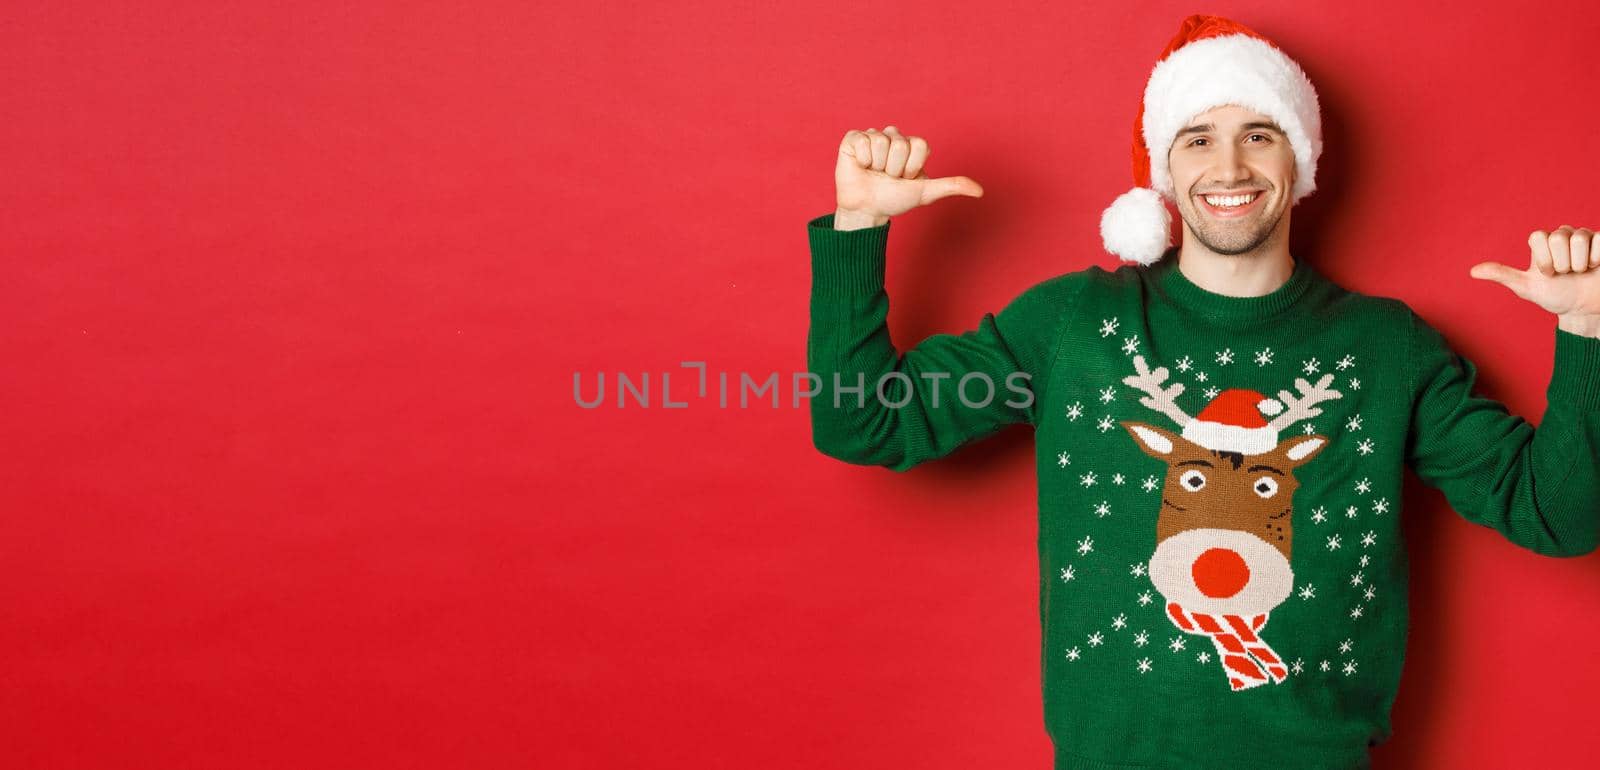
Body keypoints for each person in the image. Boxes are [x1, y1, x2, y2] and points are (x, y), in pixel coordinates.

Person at [803, 13, 1600, 770]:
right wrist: (858, 228)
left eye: (1258, 135)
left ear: (1300, 160)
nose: (1228, 168)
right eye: (1198, 139)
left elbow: (1556, 516)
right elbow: (863, 422)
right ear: (1164, 169)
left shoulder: (1387, 349)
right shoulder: (1073, 324)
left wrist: (1590, 330)